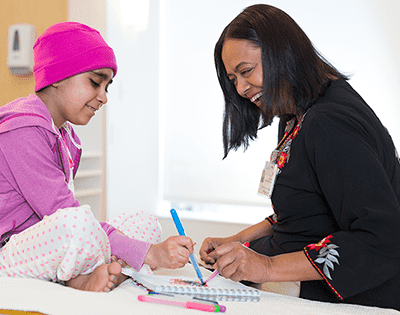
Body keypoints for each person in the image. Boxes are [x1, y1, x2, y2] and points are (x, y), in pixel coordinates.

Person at [199, 4, 400, 311]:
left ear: (282, 53)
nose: (240, 88)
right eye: (232, 79)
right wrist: (239, 240)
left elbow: (380, 237)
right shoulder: (298, 112)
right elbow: (306, 208)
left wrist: (265, 267)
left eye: (246, 71)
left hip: (354, 293)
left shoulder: (328, 122)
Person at [0, 22, 194, 292]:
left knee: (143, 222)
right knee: (78, 222)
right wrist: (150, 254)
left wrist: (141, 247)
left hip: (45, 245)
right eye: (94, 83)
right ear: (57, 76)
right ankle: (96, 274)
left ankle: (108, 272)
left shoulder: (66, 136)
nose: (103, 97)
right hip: (8, 251)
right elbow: (63, 214)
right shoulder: (23, 129)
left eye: (107, 87)